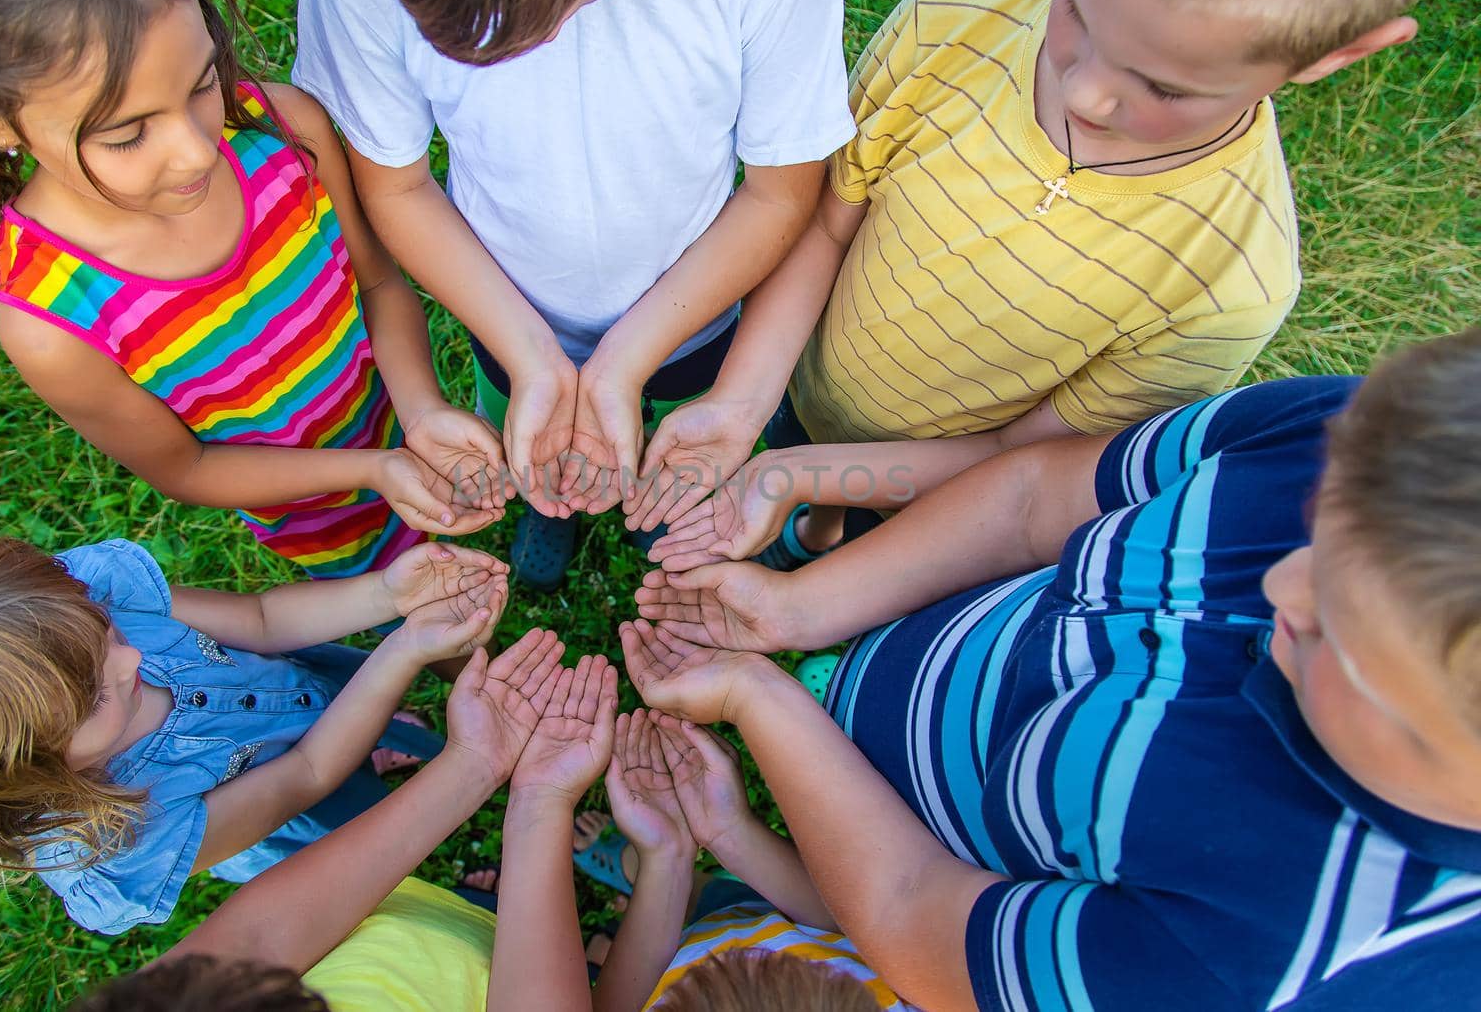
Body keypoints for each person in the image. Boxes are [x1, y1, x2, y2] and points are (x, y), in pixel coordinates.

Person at [628, 328, 1481, 1008]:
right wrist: (801, 610)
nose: (1279, 583)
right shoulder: (1357, 448)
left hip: (902, 854)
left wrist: (763, 699)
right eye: (1314, 533)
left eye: (1338, 627)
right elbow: (1033, 496)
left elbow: (910, 904)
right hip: (917, 659)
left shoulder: (1260, 962)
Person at [639, 0, 1464, 568]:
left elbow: (1020, 463)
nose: (1083, 92)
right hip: (797, 366)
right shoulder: (958, 13)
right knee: (793, 441)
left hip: (937, 475)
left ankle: (821, 534)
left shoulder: (1228, 280)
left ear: (1340, 52)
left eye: (1164, 87)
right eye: (1076, 6)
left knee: (846, 523)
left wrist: (809, 480)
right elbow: (826, 226)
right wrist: (744, 406)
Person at [0, 0, 507, 582]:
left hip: (393, 412)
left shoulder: (285, 129)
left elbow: (375, 282)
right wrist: (372, 471)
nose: (195, 153)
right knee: (415, 606)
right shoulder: (50, 324)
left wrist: (422, 412)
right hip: (313, 510)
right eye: (127, 133)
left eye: (203, 83)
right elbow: (188, 467)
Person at [291, 0, 855, 589]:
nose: (544, 44)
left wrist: (627, 361)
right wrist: (530, 357)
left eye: (567, 5)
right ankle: (546, 499)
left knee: (676, 438)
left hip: (700, 308)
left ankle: (654, 504)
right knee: (533, 441)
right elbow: (395, 188)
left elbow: (779, 194)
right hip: (501, 306)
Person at [0, 535, 507, 934]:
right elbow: (307, 775)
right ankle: (452, 898)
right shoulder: (119, 842)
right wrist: (400, 654)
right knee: (392, 841)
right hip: (306, 807)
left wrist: (384, 594)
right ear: (15, 778)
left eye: (108, 632)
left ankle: (378, 733)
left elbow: (261, 619)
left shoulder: (72, 598)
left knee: (358, 718)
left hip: (300, 695)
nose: (131, 664)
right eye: (97, 696)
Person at [66, 630, 570, 1012]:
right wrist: (541, 802)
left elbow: (256, 941)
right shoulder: (119, 844)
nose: (132, 658)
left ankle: (483, 909)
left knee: (454, 915)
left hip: (393, 921)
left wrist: (475, 763)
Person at [490, 672, 909, 1011]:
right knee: (719, 899)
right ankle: (681, 885)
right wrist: (730, 833)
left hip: (657, 960)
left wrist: (664, 861)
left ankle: (650, 894)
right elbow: (860, 929)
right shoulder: (931, 993)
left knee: (702, 907)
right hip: (784, 910)